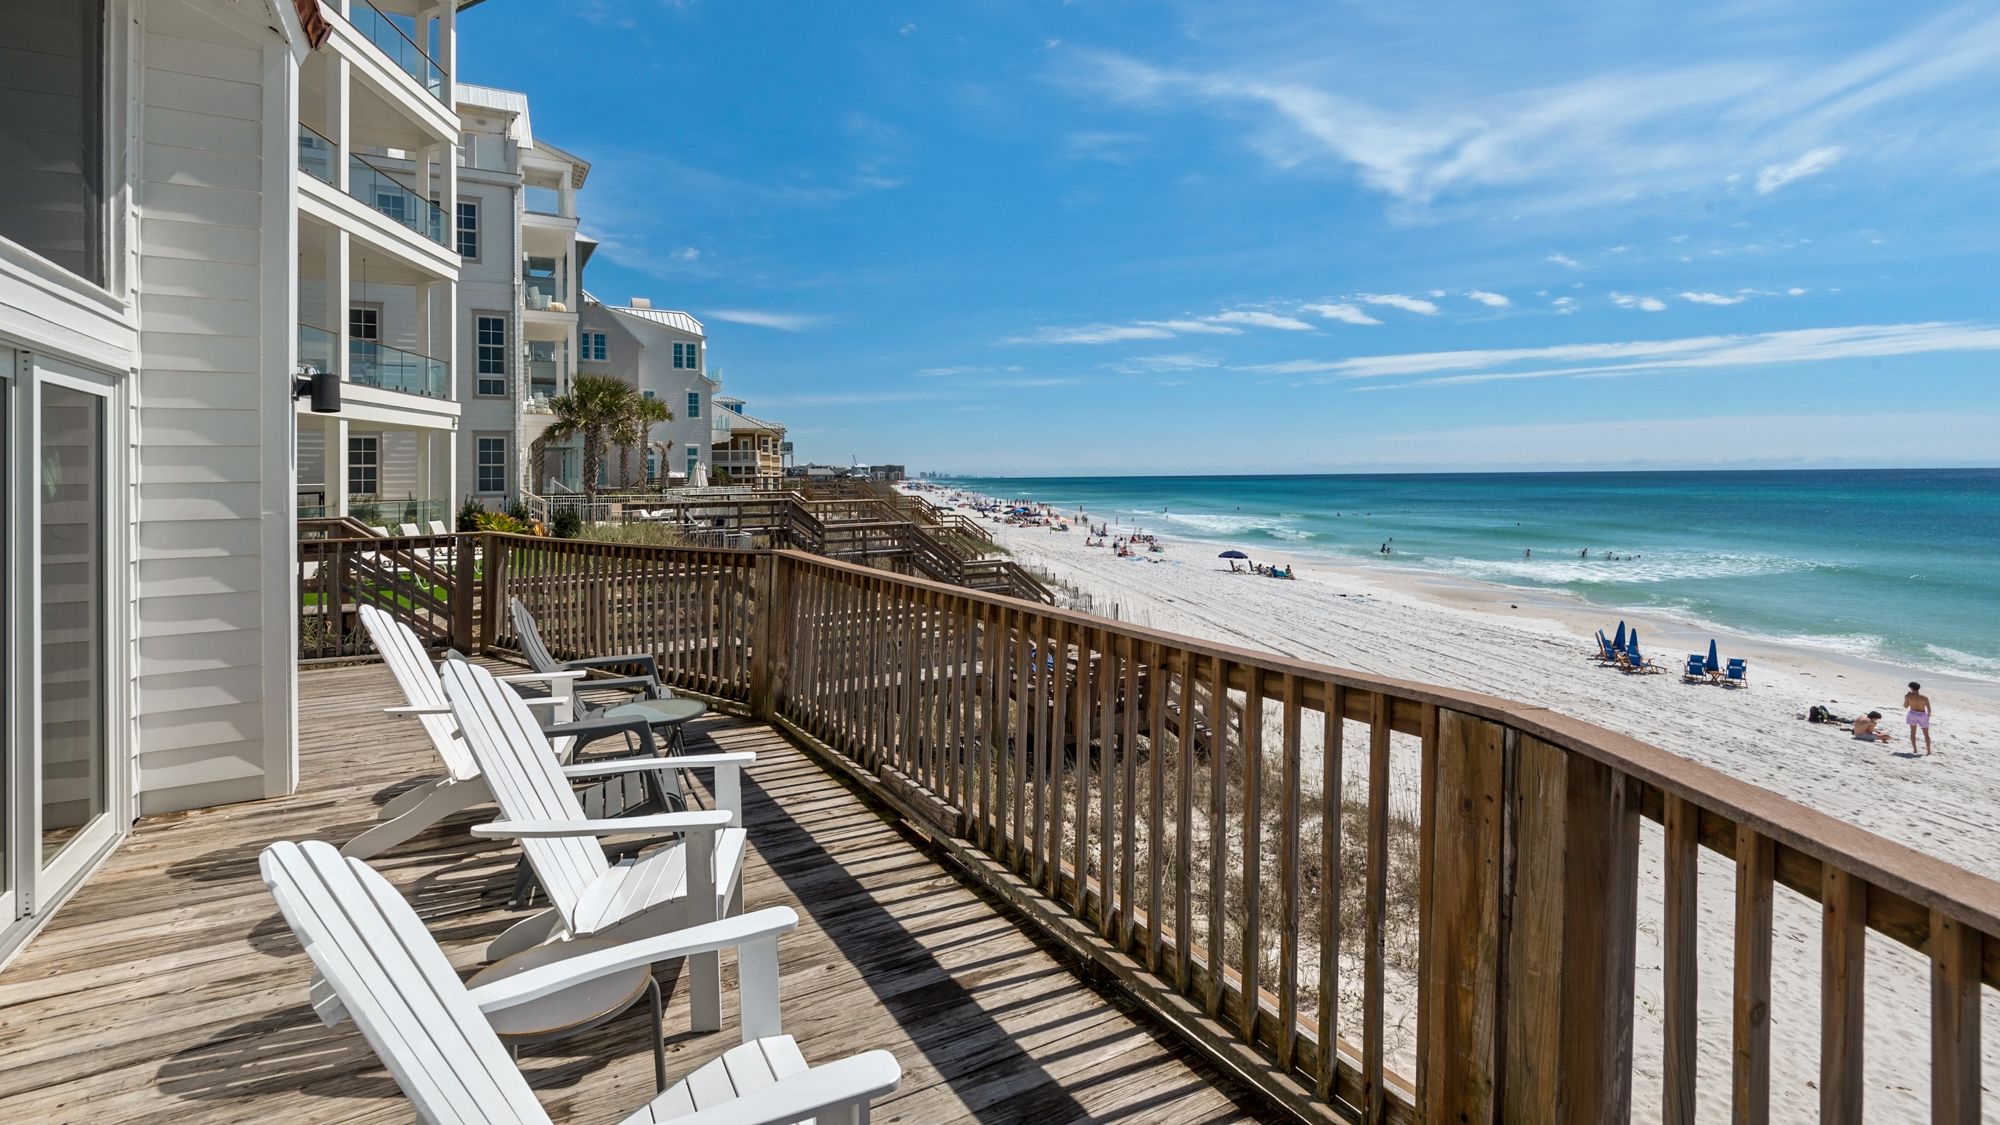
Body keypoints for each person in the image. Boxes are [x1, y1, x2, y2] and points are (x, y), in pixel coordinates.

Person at [1904, 682, 1933, 755]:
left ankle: (1915, 750)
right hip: (1922, 715)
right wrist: (1928, 717)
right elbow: (1929, 710)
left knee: (1913, 733)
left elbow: (1905, 706)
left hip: (1912, 714)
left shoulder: (1908, 696)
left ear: (1911, 688)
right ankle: (1929, 751)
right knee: (1926, 734)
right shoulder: (1924, 697)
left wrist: (1906, 698)